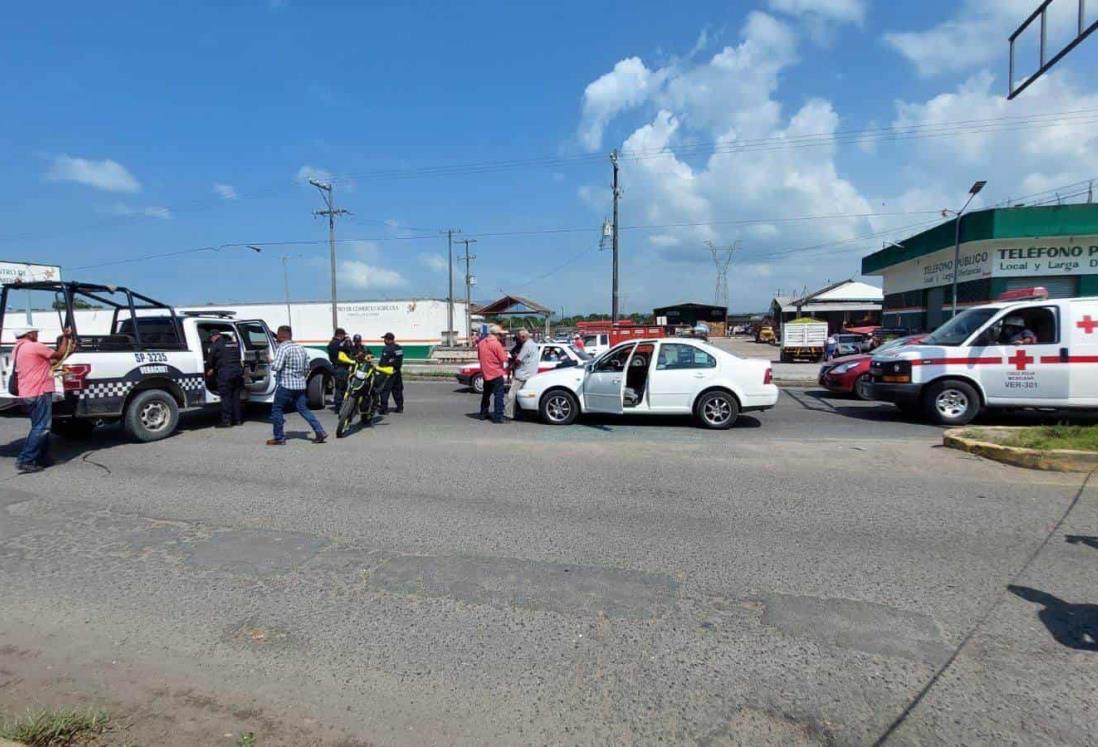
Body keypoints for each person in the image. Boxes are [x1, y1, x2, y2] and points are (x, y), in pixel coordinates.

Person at [11, 326, 73, 473]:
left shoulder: (18, 349)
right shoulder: (34, 346)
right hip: (39, 391)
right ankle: (25, 460)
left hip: (27, 393)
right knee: (41, 428)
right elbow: (58, 355)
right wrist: (65, 338)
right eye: (36, 332)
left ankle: (41, 458)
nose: (37, 334)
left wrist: (69, 351)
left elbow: (44, 363)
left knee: (39, 426)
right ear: (30, 334)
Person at [268, 325, 327, 445]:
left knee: (277, 410)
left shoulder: (282, 348)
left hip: (286, 385)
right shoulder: (301, 348)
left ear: (280, 336)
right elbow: (307, 368)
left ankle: (279, 438)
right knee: (303, 409)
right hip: (300, 385)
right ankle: (319, 431)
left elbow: (277, 367)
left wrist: (270, 361)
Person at [205, 328, 245, 428]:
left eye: (211, 338)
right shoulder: (233, 343)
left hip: (226, 373)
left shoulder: (215, 345)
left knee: (226, 397)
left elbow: (210, 360)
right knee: (236, 397)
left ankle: (226, 421)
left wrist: (208, 369)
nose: (211, 340)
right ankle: (238, 419)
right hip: (238, 372)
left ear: (214, 337)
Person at [477, 325, 508, 423]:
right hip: (496, 373)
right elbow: (504, 358)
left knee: (486, 394)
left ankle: (483, 413)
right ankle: (498, 416)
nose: (502, 336)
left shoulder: (481, 343)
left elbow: (479, 357)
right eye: (501, 335)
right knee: (499, 395)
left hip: (486, 372)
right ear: (497, 334)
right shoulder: (496, 344)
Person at [505, 329, 538, 420]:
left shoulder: (526, 346)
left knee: (511, 394)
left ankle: (508, 414)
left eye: (519, 338)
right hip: (531, 373)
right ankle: (520, 412)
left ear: (523, 337)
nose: (518, 340)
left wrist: (511, 367)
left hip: (522, 374)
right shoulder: (533, 344)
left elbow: (518, 360)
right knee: (523, 395)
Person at [377, 332, 404, 414]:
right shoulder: (398, 348)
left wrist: (380, 368)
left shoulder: (387, 349)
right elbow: (399, 360)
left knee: (385, 390)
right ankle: (400, 407)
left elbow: (383, 362)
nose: (384, 340)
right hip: (397, 372)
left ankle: (384, 409)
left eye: (384, 339)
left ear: (388, 340)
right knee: (397, 390)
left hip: (388, 372)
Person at [327, 328, 351, 412]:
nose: (345, 337)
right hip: (340, 368)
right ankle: (339, 405)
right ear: (340, 335)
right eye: (344, 335)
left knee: (340, 387)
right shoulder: (337, 344)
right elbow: (348, 349)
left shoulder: (333, 343)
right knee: (341, 388)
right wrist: (347, 342)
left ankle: (340, 405)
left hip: (338, 367)